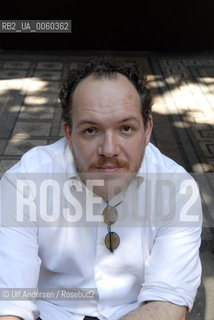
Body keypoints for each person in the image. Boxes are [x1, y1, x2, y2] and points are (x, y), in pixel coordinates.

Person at [0, 58, 202, 320]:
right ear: (69, 134)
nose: (109, 150)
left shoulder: (178, 189)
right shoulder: (23, 183)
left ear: (148, 128)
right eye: (91, 130)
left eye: (126, 128)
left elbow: (168, 301)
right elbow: (10, 303)